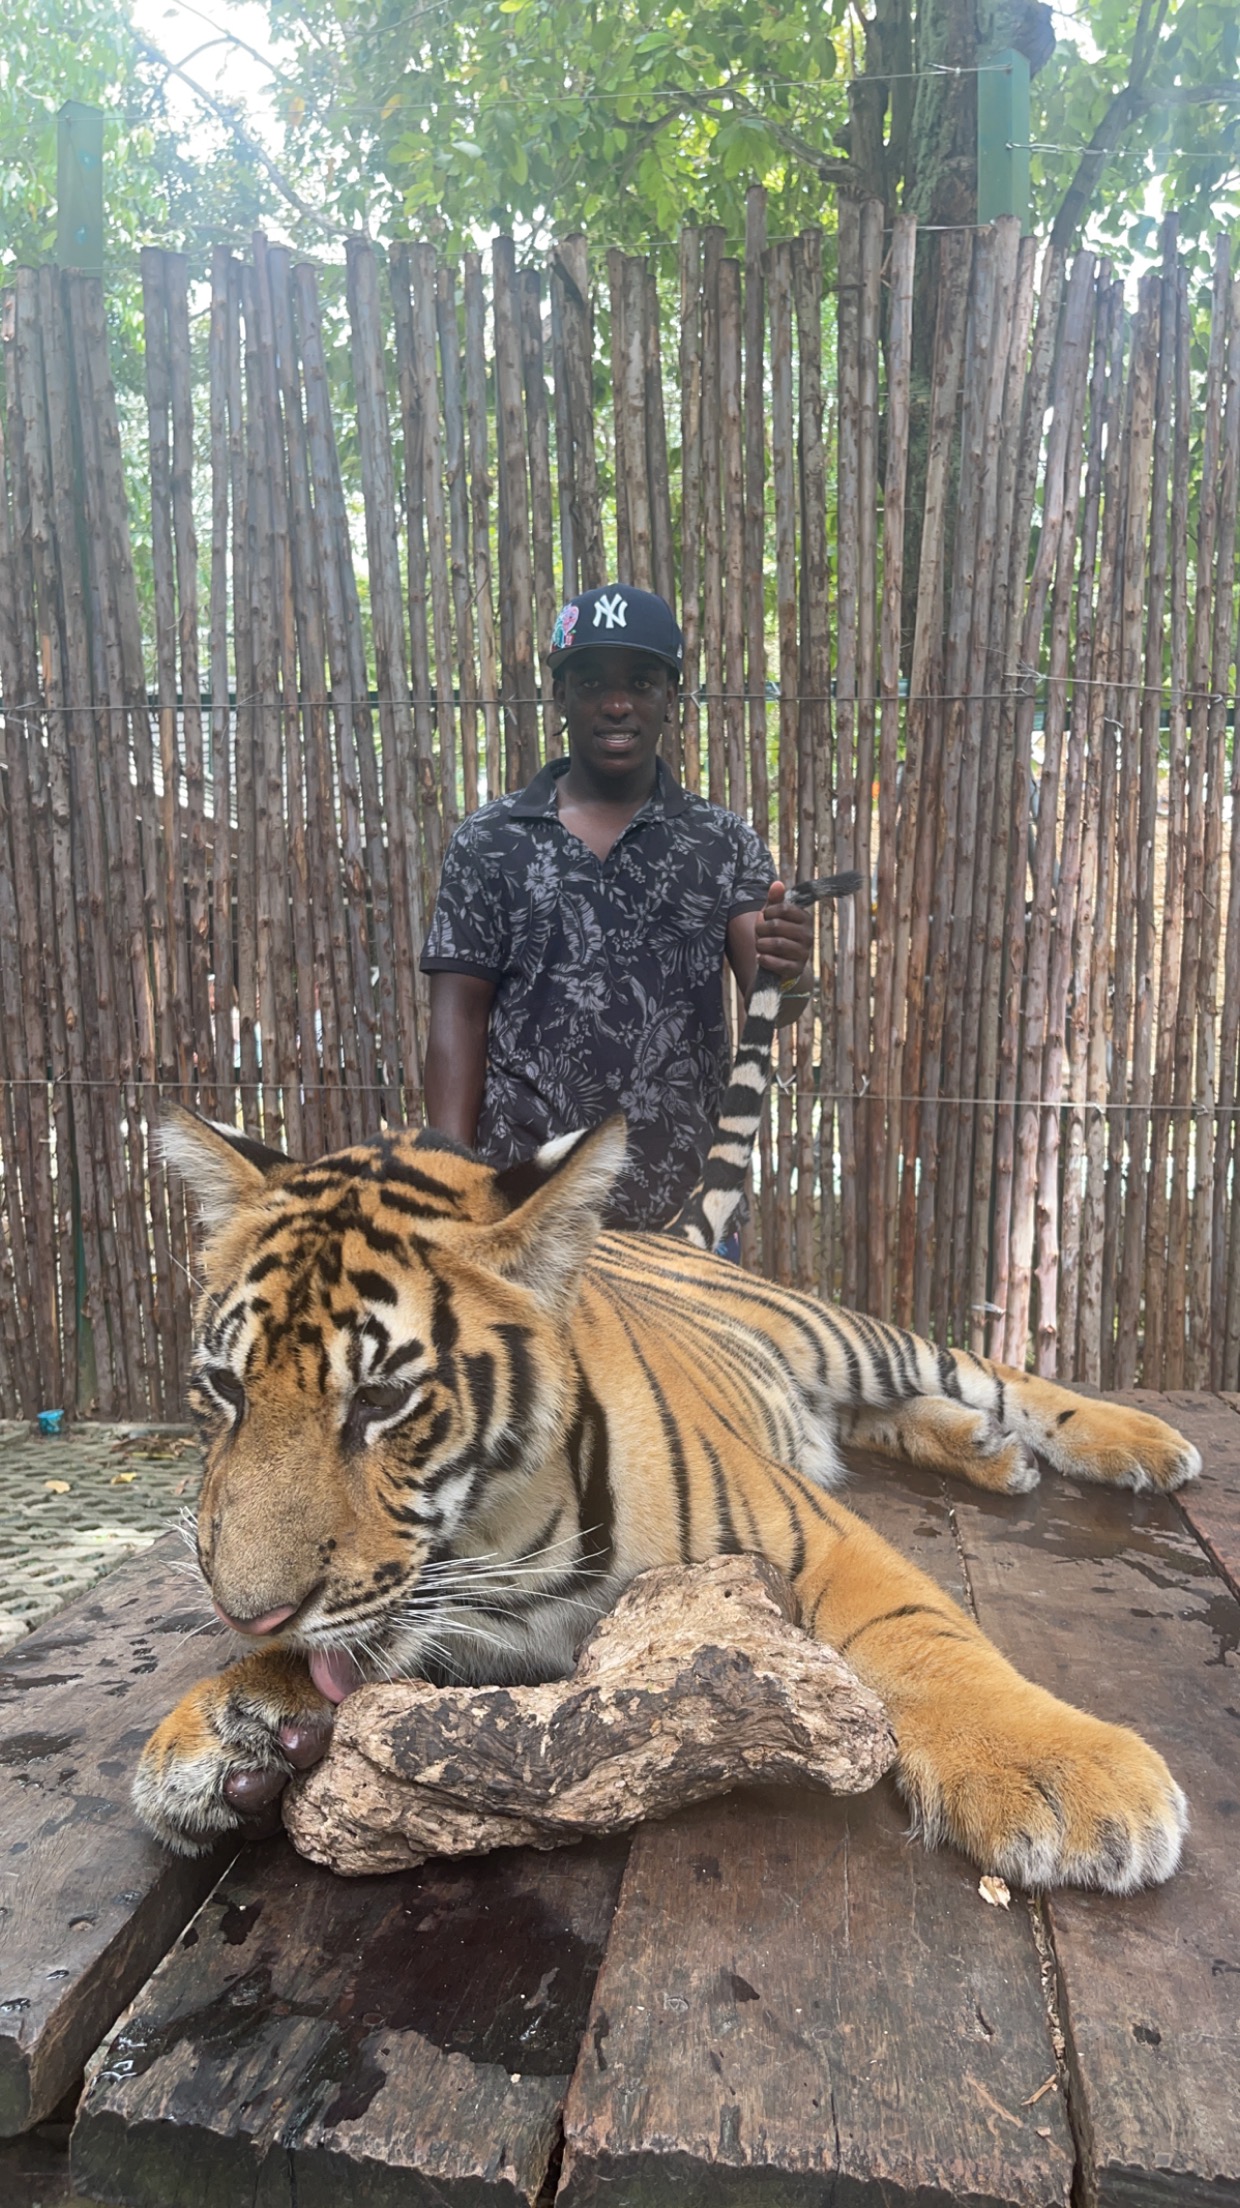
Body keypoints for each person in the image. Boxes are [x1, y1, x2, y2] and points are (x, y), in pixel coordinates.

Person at [420, 584, 813, 1233]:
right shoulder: (491, 842)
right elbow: (457, 1015)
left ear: (671, 697)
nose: (617, 703)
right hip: (525, 1214)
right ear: (561, 695)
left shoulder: (721, 843)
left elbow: (780, 1000)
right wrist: (450, 1186)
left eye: (641, 681)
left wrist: (794, 964)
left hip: (685, 1215)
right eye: (592, 682)